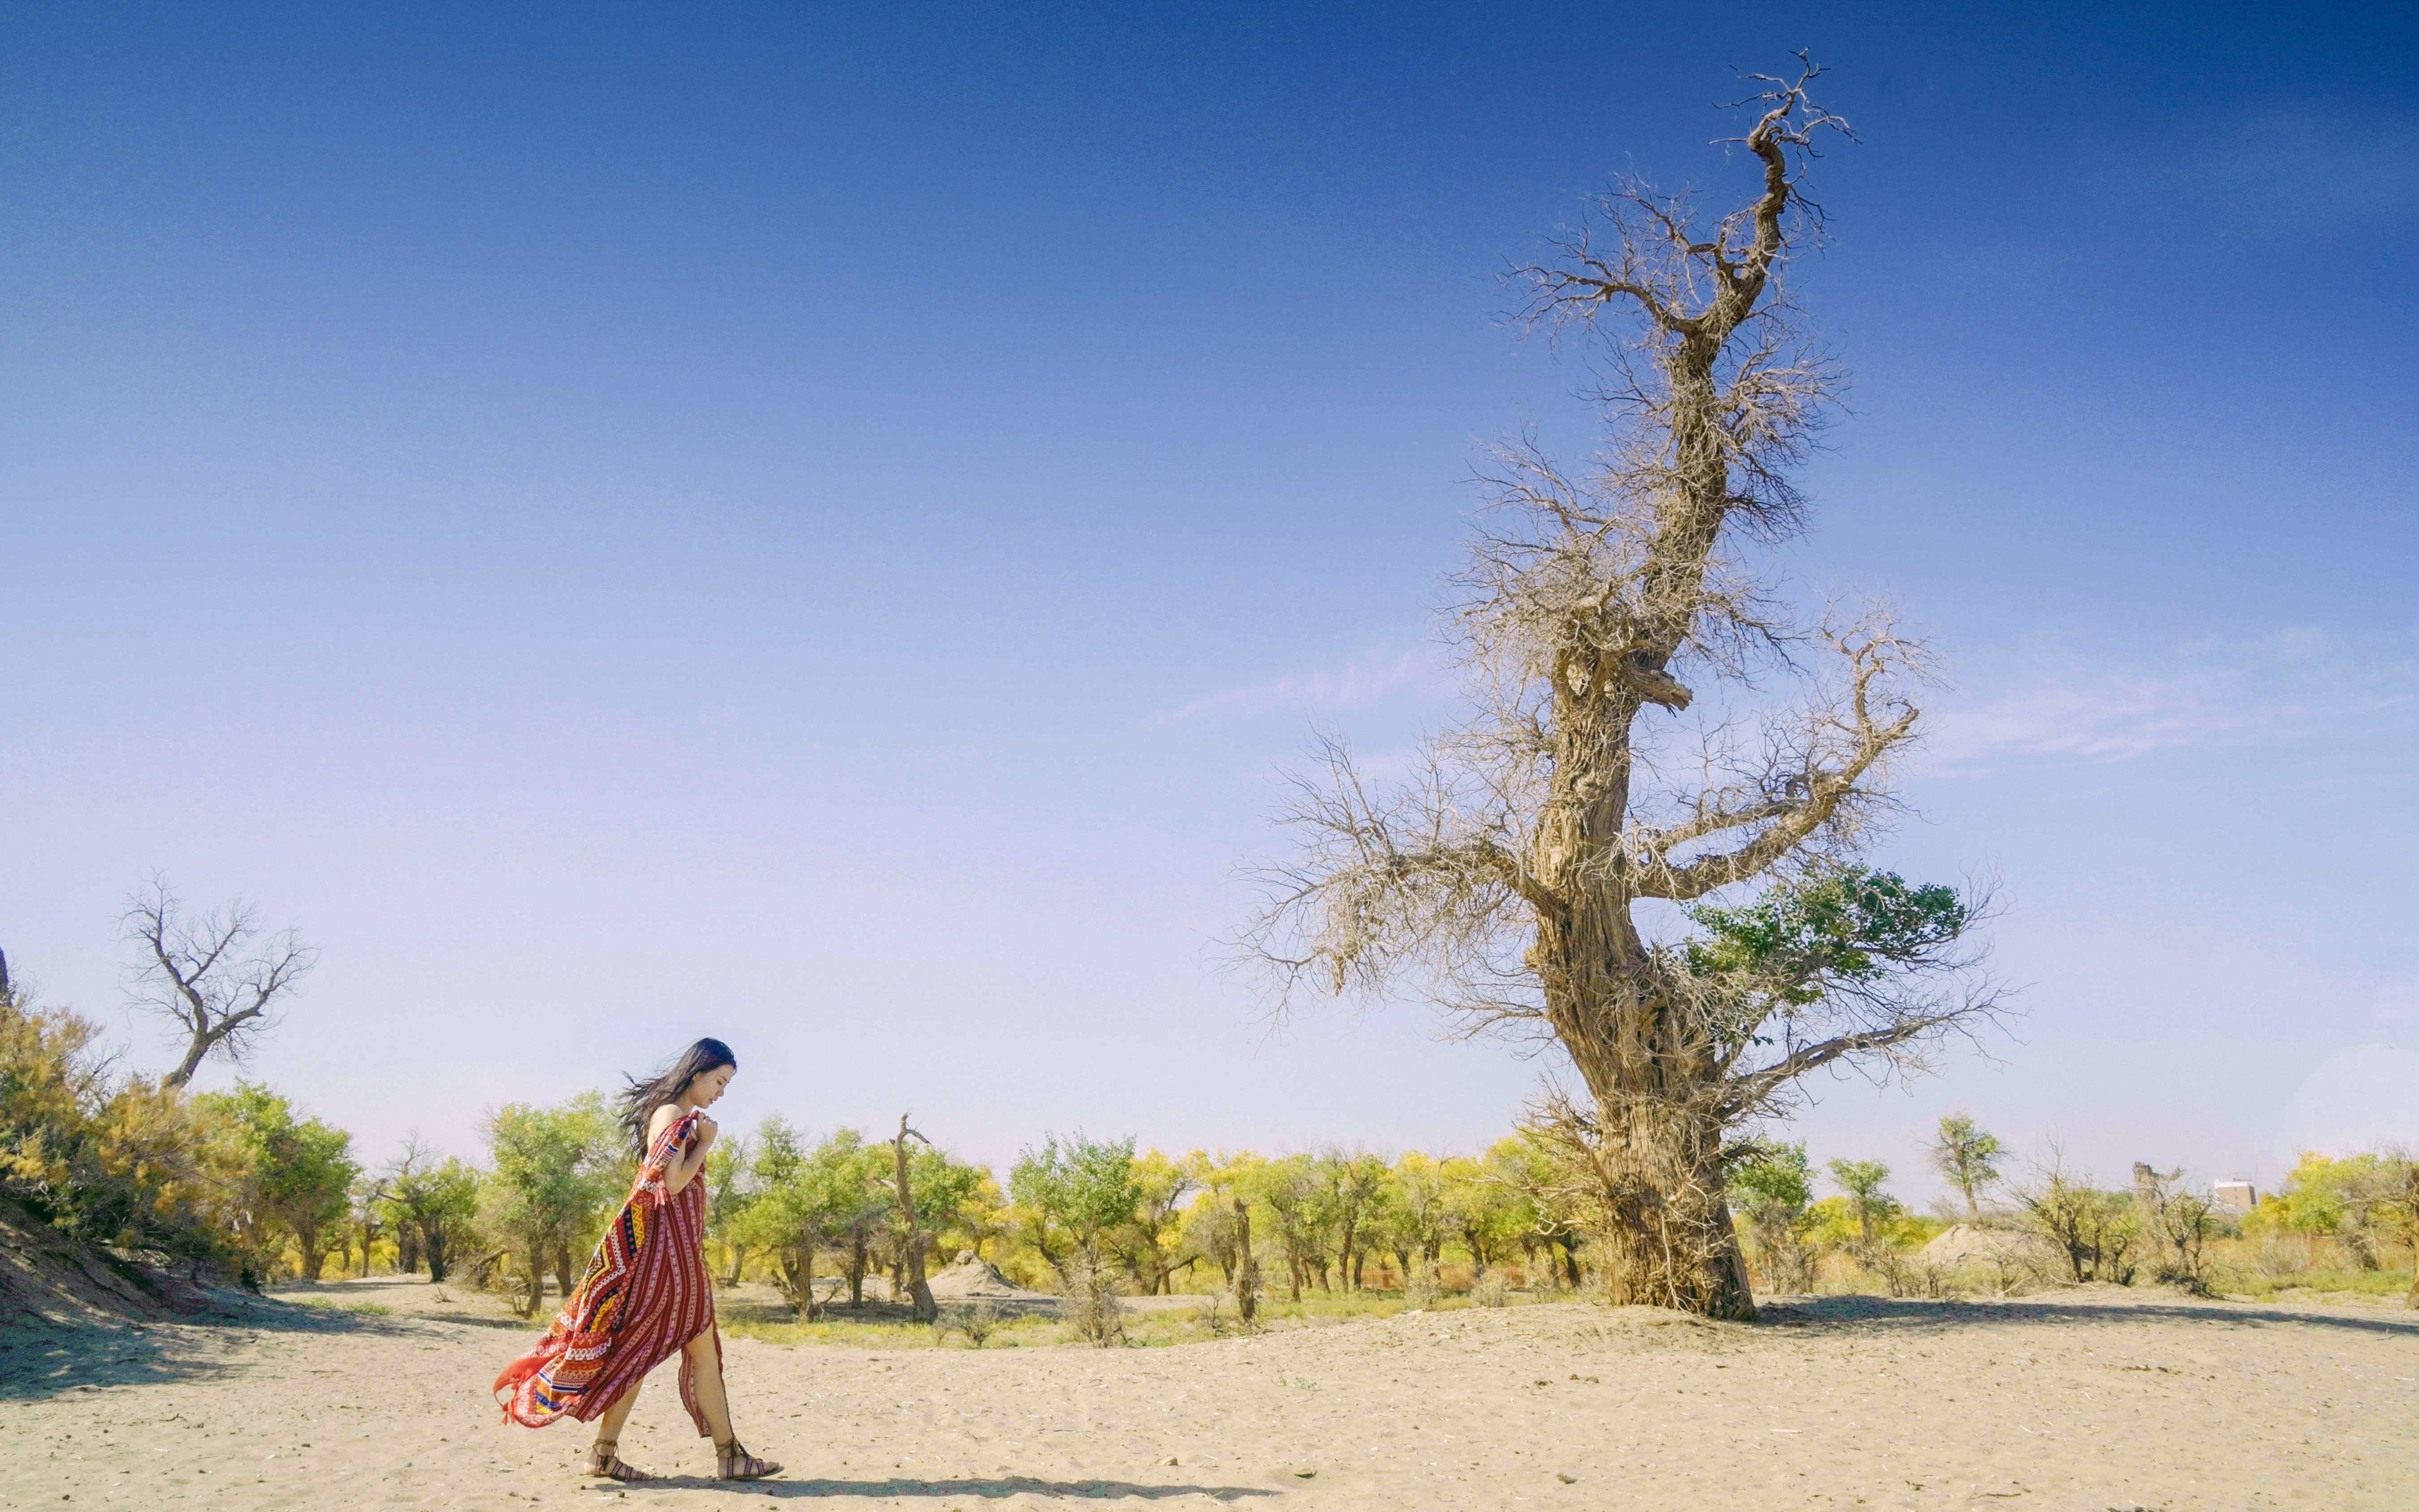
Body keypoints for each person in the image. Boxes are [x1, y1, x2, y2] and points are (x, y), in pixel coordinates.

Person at [493, 1037, 782, 1482]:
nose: (721, 1092)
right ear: (696, 1072)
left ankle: (659, 1453)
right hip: (666, 1256)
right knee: (656, 1347)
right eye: (719, 1081)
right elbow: (673, 1182)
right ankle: (718, 1455)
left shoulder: (678, 1115)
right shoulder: (672, 1114)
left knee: (667, 1348)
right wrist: (706, 1142)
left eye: (727, 1085)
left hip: (675, 1251)